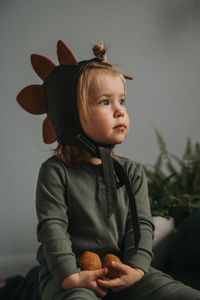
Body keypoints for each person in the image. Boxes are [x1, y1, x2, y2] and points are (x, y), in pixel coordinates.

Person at [16, 40, 200, 300]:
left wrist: (136, 269)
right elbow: (52, 227)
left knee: (182, 294)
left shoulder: (132, 171)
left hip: (124, 269)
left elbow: (141, 226)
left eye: (122, 101)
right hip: (71, 277)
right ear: (71, 116)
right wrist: (70, 275)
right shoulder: (55, 173)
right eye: (105, 102)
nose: (119, 111)